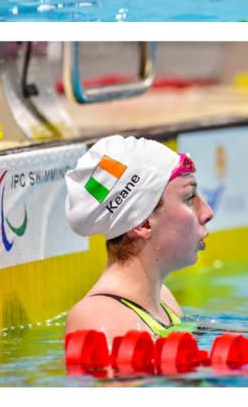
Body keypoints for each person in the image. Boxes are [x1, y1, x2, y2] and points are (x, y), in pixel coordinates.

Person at [63, 136, 211, 341]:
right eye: (188, 198)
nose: (207, 212)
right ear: (143, 223)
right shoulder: (98, 319)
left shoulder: (163, 300)